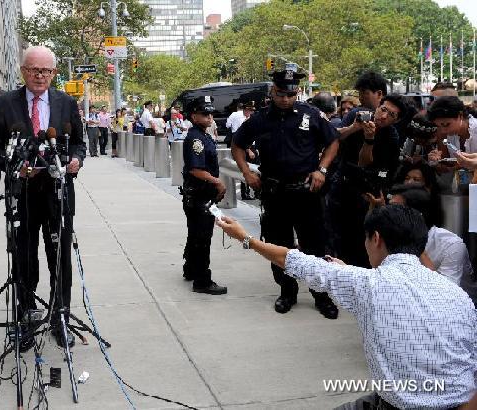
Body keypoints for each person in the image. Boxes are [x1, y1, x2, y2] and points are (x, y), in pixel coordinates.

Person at [217, 205, 477, 410]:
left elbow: (290, 259)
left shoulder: (367, 285)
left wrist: (245, 237)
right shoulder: (457, 295)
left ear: (376, 238)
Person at [0, 45, 86, 349]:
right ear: (23, 72)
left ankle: (60, 318)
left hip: (58, 194)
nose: (40, 75)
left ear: (54, 73)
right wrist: (15, 169)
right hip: (24, 195)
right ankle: (26, 319)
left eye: (46, 70)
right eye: (34, 70)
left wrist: (76, 161)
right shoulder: (5, 104)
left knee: (60, 259)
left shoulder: (66, 102)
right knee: (24, 259)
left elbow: (80, 144)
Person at [231, 63, 340, 318]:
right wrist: (246, 172)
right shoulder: (259, 118)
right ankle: (287, 292)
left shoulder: (310, 114)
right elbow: (237, 145)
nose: (285, 99)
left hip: (306, 193)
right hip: (275, 193)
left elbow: (333, 141)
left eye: (291, 94)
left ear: (297, 92)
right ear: (273, 91)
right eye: (281, 93)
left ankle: (321, 295)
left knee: (315, 245)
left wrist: (322, 170)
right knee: (279, 245)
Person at [330, 70, 406, 268]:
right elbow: (334, 136)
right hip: (343, 187)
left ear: (396, 120)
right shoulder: (358, 115)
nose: (383, 116)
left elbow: (367, 165)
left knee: (365, 245)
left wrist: (369, 139)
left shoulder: (391, 137)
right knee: (340, 241)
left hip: (367, 194)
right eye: (383, 109)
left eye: (391, 115)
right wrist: (356, 127)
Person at [181, 95, 227, 295]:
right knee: (202, 238)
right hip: (199, 195)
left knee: (195, 235)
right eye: (204, 113)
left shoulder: (204, 134)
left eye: (210, 113)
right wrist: (217, 182)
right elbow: (195, 169)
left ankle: (190, 269)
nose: (209, 117)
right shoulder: (196, 138)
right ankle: (202, 280)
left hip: (200, 195)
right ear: (193, 116)